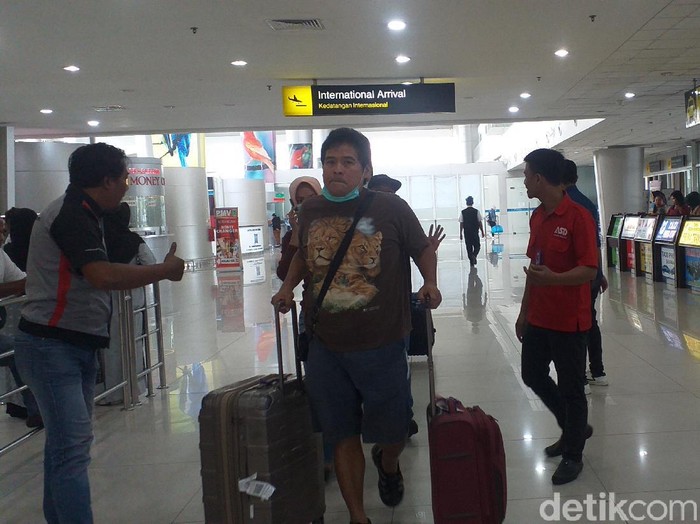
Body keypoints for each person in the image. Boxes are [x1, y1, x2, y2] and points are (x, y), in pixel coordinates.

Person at [271, 128, 442, 524]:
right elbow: (299, 254)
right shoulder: (310, 211)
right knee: (341, 433)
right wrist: (285, 288)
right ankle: (357, 516)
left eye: (348, 162)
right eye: (330, 162)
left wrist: (429, 282)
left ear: (365, 170)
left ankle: (387, 459)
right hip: (326, 345)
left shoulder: (391, 208)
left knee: (394, 430)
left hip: (381, 342)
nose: (338, 170)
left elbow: (421, 249)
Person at [13, 142, 185, 524]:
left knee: (65, 447)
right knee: (72, 448)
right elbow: (102, 275)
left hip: (73, 342)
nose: (127, 185)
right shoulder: (71, 213)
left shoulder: (89, 212)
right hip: (50, 343)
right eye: (124, 178)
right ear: (106, 180)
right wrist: (164, 270)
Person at [515, 148, 598, 485]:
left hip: (569, 320)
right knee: (532, 374)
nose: (523, 180)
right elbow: (535, 270)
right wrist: (523, 312)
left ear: (538, 178)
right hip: (538, 316)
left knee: (572, 388)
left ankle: (573, 453)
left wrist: (555, 279)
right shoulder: (537, 217)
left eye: (525, 174)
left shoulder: (578, 217)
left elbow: (589, 270)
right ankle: (573, 426)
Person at [98, 202, 157, 405]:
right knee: (134, 341)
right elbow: (152, 263)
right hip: (131, 298)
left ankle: (112, 391)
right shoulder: (133, 240)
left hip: (106, 300)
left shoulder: (101, 242)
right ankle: (135, 387)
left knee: (110, 346)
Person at [562, 160, 609, 387]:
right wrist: (598, 273)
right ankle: (598, 372)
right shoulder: (588, 204)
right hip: (591, 275)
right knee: (590, 322)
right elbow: (595, 243)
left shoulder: (566, 205)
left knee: (576, 328)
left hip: (575, 278)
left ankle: (579, 378)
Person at [368, 173, 445, 251]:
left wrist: (426, 251)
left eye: (391, 193)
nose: (389, 198)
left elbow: (418, 253)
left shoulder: (401, 221)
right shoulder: (360, 221)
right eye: (383, 193)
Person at [277, 176, 323, 281]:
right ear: (294, 205)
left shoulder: (337, 227)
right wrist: (296, 234)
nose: (307, 204)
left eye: (312, 198)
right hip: (311, 295)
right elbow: (284, 275)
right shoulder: (292, 236)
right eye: (300, 200)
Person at [459, 196, 485, 266]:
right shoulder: (476, 211)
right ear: (472, 202)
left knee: (469, 247)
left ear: (466, 203)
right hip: (474, 232)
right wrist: (482, 231)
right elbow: (480, 222)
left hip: (467, 232)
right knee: (477, 246)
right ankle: (474, 256)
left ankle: (471, 260)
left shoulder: (463, 212)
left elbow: (461, 223)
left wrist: (460, 233)